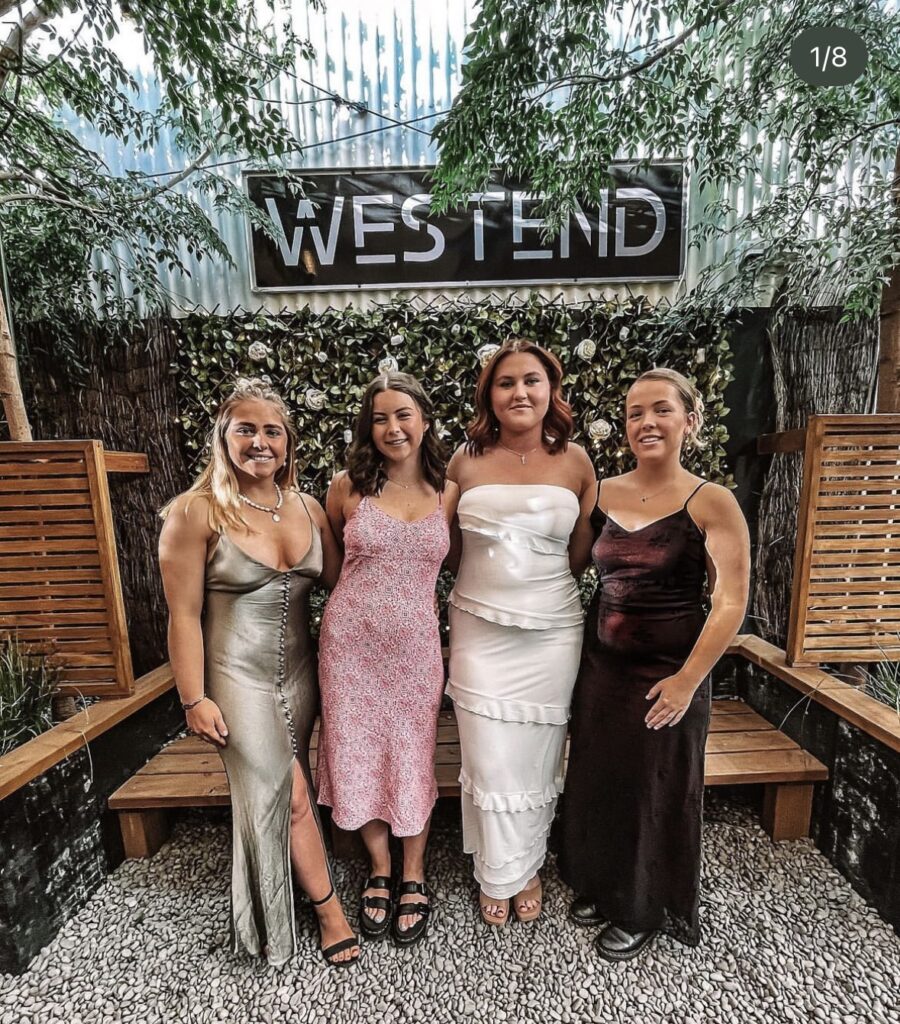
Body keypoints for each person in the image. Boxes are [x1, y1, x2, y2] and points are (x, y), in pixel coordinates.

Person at [158, 378, 360, 968]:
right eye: (245, 429)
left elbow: (345, 583)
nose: (260, 441)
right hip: (233, 679)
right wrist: (193, 697)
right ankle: (327, 913)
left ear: (289, 442)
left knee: (290, 784)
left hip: (302, 675)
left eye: (272, 430)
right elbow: (184, 616)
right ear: (223, 436)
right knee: (288, 792)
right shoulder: (194, 513)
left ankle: (289, 880)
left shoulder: (307, 507)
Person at [559, 367, 750, 961]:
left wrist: (688, 682)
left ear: (690, 421)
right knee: (602, 778)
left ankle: (643, 907)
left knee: (655, 788)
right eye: (636, 412)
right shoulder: (606, 492)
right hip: (602, 671)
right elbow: (572, 569)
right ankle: (601, 882)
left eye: (661, 410)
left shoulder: (710, 500)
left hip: (668, 673)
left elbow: (731, 601)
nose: (647, 422)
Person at [445, 338, 596, 926]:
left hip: (553, 630)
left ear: (550, 390)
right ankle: (495, 870)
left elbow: (579, 553)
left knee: (535, 755)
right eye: (505, 383)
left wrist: (533, 594)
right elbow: (448, 550)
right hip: (479, 627)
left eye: (531, 380)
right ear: (489, 395)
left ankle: (526, 865)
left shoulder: (577, 462)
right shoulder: (463, 461)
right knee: (488, 754)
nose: (520, 392)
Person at [318, 372, 458, 947]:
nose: (392, 428)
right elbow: (331, 570)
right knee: (357, 753)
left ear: (424, 420)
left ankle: (415, 871)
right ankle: (379, 868)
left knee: (411, 750)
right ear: (366, 427)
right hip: (349, 648)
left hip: (417, 651)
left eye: (403, 415)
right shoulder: (346, 488)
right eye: (379, 418)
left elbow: (457, 565)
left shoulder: (449, 490)